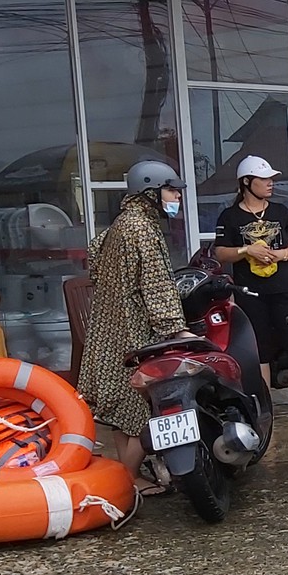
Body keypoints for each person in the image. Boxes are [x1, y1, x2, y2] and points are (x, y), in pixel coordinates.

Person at [79, 161, 192, 496]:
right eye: (172, 190)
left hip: (108, 330)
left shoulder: (121, 224)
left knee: (122, 410)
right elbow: (157, 285)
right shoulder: (142, 229)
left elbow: (95, 256)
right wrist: (176, 329)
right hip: (132, 331)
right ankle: (126, 481)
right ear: (150, 192)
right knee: (147, 408)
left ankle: (131, 478)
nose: (176, 197)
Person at [212, 155, 288, 393]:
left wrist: (281, 255)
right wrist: (248, 249)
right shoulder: (230, 216)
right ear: (247, 182)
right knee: (259, 349)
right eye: (264, 179)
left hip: (284, 289)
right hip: (250, 292)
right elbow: (221, 253)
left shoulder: (281, 211)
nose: (271, 183)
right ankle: (263, 409)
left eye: (271, 179)